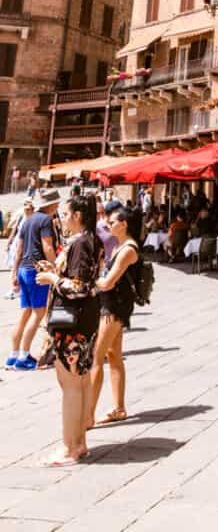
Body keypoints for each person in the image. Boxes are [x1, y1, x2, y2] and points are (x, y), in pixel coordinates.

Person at [35, 193, 101, 465]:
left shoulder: (81, 243)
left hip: (73, 323)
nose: (59, 221)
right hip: (84, 320)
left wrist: (53, 277)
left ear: (76, 216)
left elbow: (79, 287)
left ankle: (70, 446)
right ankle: (79, 442)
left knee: (71, 383)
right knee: (80, 380)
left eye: (62, 215)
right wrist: (56, 270)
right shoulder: (88, 241)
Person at [87, 205, 141, 427]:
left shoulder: (128, 249)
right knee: (114, 356)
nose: (109, 225)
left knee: (96, 358)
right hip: (113, 304)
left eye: (113, 222)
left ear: (124, 224)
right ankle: (119, 408)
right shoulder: (120, 246)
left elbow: (108, 282)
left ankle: (87, 415)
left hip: (114, 308)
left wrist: (90, 281)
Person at [6, 188, 59, 371]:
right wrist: (56, 268)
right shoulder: (45, 220)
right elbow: (48, 246)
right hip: (36, 270)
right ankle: (23, 356)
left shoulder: (28, 220)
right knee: (38, 313)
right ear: (51, 205)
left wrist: (14, 271)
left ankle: (13, 355)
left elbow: (19, 247)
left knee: (25, 312)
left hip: (23, 268)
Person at [96, 199, 119, 265]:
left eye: (102, 212)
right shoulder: (97, 228)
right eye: (98, 213)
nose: (100, 216)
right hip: (106, 266)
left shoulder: (121, 226)